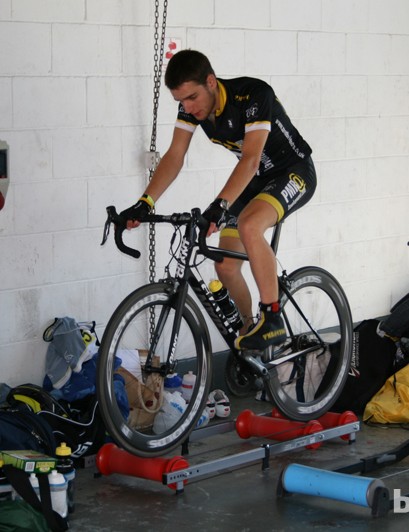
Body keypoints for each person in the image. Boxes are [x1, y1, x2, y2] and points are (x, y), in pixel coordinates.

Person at [120, 50, 317, 351]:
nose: (187, 107)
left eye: (192, 97)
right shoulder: (192, 108)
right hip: (256, 181)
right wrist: (146, 201)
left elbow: (250, 160)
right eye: (180, 101)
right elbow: (175, 156)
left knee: (250, 226)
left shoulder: (252, 95)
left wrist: (220, 204)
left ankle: (273, 317)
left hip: (293, 172)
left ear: (211, 82)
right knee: (224, 266)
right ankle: (252, 329)